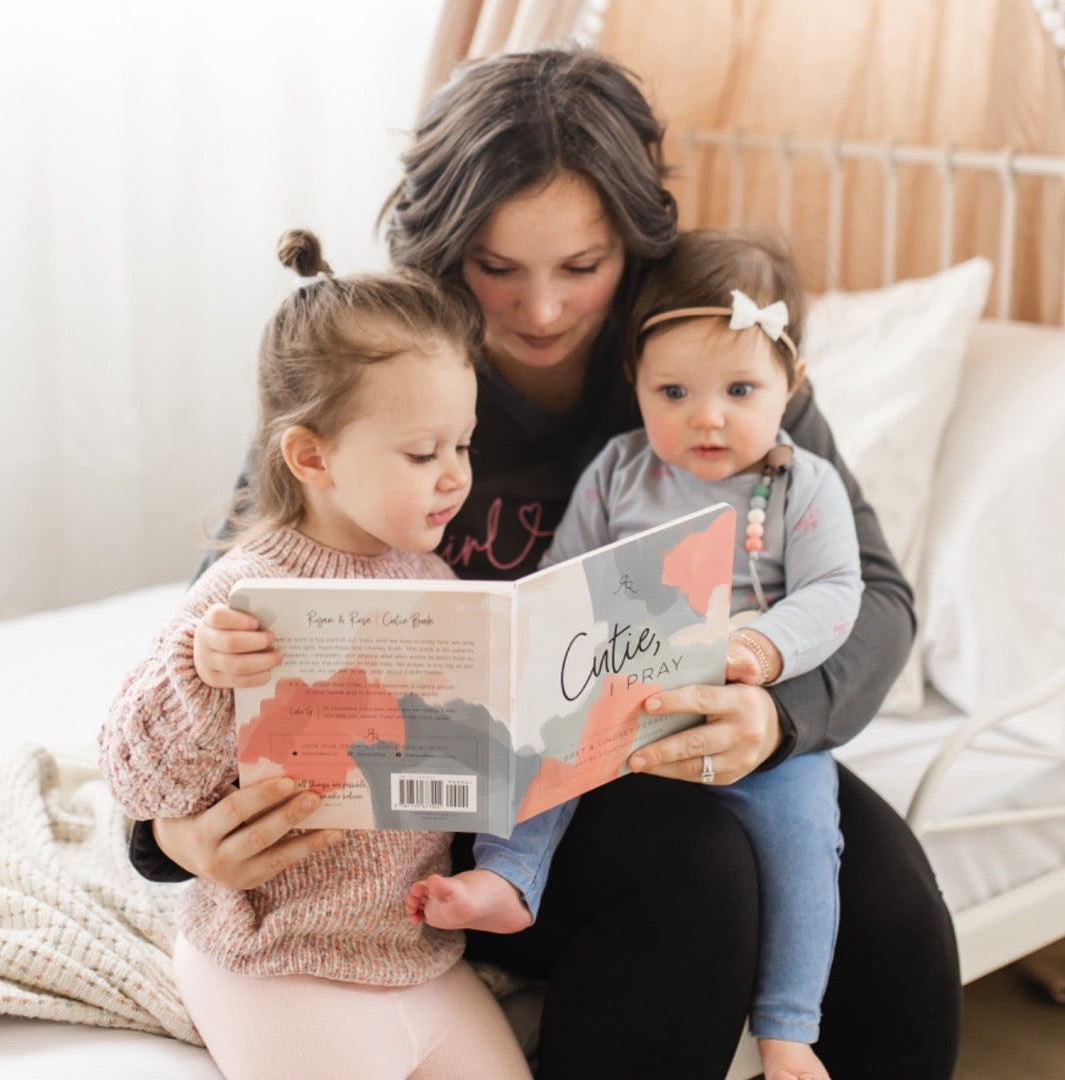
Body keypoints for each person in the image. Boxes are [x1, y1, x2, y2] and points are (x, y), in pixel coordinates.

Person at [127, 48, 961, 1079]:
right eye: (496, 269)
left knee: (892, 907)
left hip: (675, 729)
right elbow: (233, 590)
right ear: (444, 251)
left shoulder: (704, 347)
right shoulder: (394, 342)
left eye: (583, 268)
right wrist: (167, 837)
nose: (543, 312)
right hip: (442, 803)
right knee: (694, 877)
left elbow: (873, 593)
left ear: (636, 246)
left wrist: (782, 716)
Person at [408, 228, 858, 1080]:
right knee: (544, 757)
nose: (708, 415)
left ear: (790, 388)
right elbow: (563, 574)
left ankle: (790, 1026)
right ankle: (509, 880)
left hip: (748, 716)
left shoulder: (803, 486)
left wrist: (764, 646)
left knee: (807, 841)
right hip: (624, 699)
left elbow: (839, 592)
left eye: (739, 389)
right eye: (675, 391)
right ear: (636, 385)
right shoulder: (620, 472)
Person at [99, 229, 534, 1080]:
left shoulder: (434, 576)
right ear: (311, 457)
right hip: (273, 955)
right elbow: (133, 773)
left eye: (464, 446)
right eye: (423, 452)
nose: (455, 476)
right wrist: (201, 670)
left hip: (413, 950)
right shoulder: (247, 590)